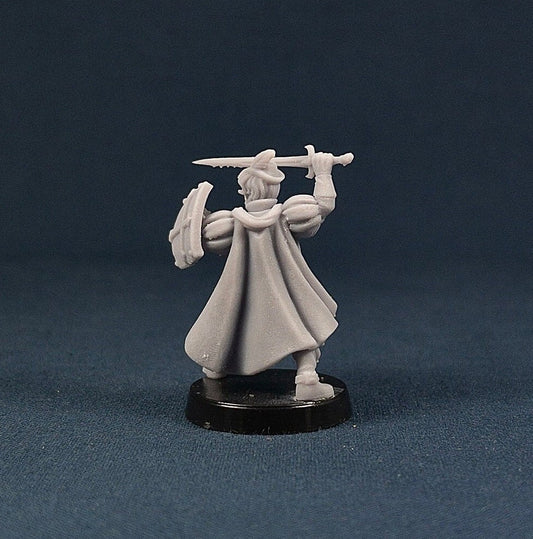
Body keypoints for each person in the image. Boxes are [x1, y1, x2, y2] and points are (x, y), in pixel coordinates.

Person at [181, 149, 338, 400]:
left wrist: (201, 219)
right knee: (304, 326)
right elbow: (323, 207)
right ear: (275, 188)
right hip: (286, 290)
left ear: (244, 191)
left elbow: (210, 238)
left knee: (230, 323)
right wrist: (323, 173)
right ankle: (307, 377)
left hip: (243, 293)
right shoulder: (287, 214)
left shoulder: (231, 221)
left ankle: (215, 367)